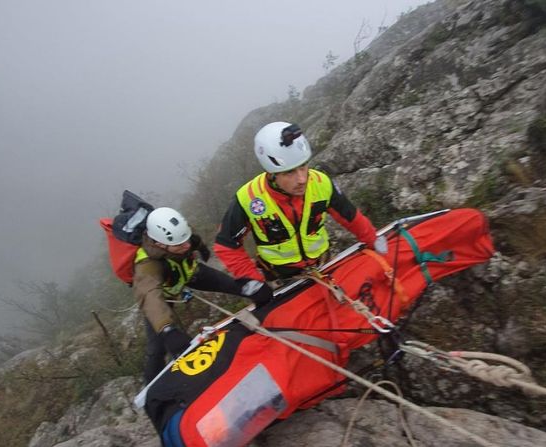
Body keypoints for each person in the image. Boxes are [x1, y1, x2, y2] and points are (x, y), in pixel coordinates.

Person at [214, 121, 388, 284]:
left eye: (303, 166)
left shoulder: (321, 183)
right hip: (280, 279)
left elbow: (350, 217)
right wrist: (253, 282)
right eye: (289, 173)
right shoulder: (248, 198)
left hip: (324, 265)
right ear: (272, 174)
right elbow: (226, 246)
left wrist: (372, 238)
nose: (302, 179)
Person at [133, 206, 272, 383]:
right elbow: (150, 295)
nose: (187, 246)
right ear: (159, 244)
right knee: (157, 349)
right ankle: (150, 390)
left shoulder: (179, 235)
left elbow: (191, 239)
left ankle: (263, 310)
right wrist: (166, 329)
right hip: (165, 294)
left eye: (186, 240)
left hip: (191, 273)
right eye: (179, 244)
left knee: (234, 285)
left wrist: (201, 247)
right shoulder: (147, 265)